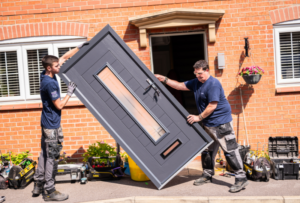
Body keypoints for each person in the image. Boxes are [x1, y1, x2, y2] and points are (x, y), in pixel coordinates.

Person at [155, 60, 248, 193]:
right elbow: (180, 86)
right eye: (196, 74)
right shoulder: (196, 82)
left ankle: (241, 178)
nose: (198, 76)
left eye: (200, 74)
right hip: (208, 124)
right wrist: (164, 79)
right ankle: (207, 175)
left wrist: (198, 117)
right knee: (207, 151)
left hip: (221, 123)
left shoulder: (213, 84)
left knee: (230, 151)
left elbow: (212, 105)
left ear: (207, 71)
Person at [32, 42, 87, 201]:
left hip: (46, 123)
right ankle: (49, 190)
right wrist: (70, 92)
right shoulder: (49, 84)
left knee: (45, 153)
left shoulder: (46, 73)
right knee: (52, 156)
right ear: (49, 68)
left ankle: (38, 183)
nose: (60, 67)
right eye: (56, 66)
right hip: (52, 127)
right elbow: (60, 105)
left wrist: (78, 48)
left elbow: (63, 58)